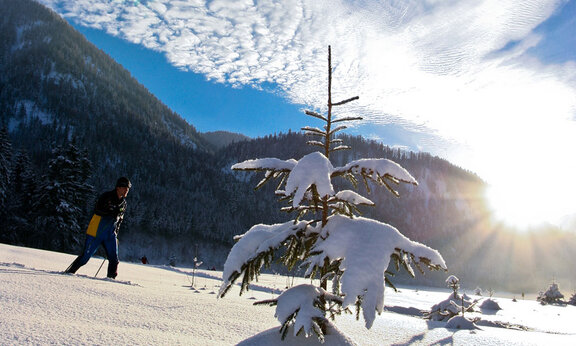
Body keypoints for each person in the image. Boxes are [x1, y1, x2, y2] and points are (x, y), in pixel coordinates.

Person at [65, 177, 132, 278]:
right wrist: (110, 212)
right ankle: (69, 273)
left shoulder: (124, 203)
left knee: (114, 259)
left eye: (128, 188)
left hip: (110, 234)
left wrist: (116, 231)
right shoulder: (106, 196)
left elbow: (120, 219)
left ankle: (111, 280)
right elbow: (97, 210)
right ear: (118, 187)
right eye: (125, 188)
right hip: (96, 231)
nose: (127, 190)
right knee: (85, 257)